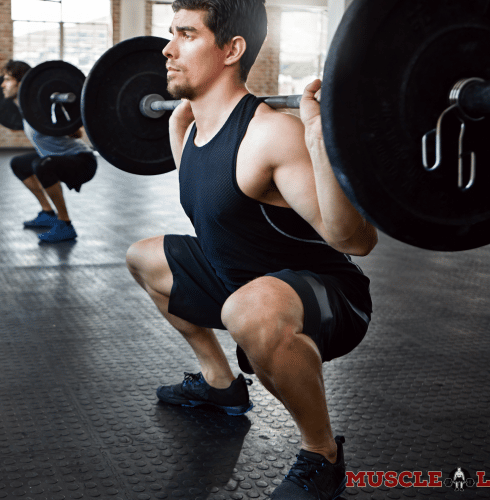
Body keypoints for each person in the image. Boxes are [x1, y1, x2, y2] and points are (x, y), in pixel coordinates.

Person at [124, 1, 378, 499]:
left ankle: (321, 452)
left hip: (332, 298)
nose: (167, 49)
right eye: (170, 33)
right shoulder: (187, 127)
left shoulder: (271, 134)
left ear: (231, 49)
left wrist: (319, 138)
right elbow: (215, 216)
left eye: (187, 35)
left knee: (250, 310)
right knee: (145, 257)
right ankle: (221, 384)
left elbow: (358, 241)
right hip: (240, 279)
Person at [0, 60, 98, 243]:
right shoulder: (25, 107)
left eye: (7, 79)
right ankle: (48, 213)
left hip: (82, 161)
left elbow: (76, 132)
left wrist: (60, 118)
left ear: (21, 83)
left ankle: (65, 224)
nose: (2, 84)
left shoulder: (43, 107)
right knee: (19, 164)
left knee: (42, 165)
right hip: (54, 158)